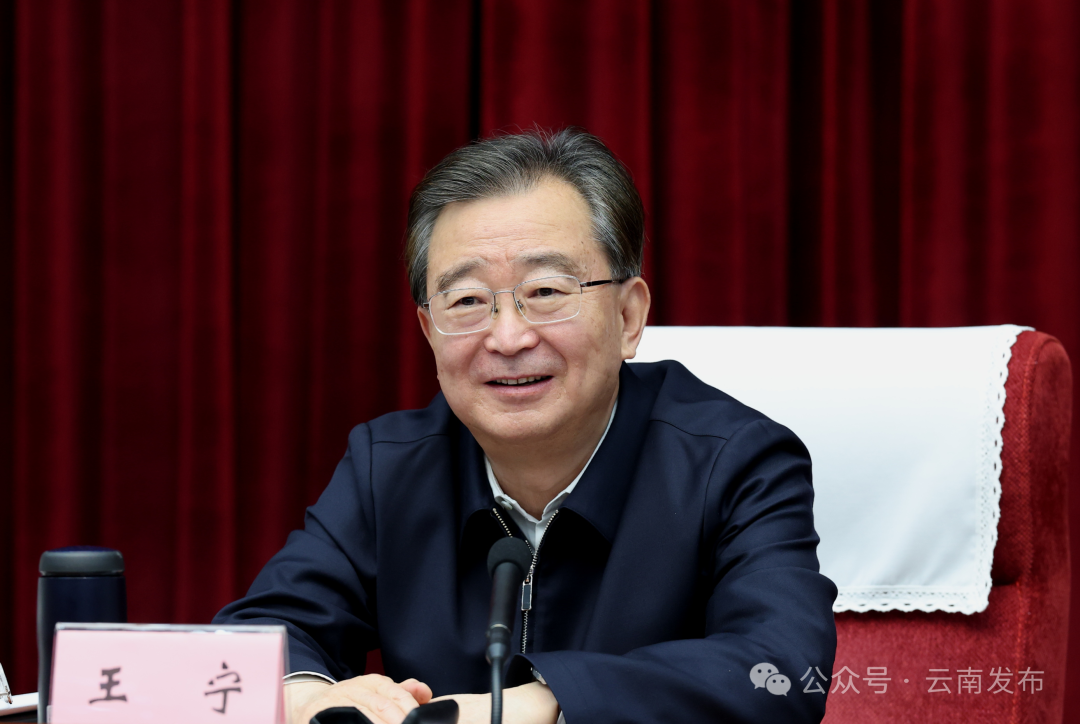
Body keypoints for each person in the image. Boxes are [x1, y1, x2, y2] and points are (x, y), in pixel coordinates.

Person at [214, 128, 837, 724]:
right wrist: (304, 698)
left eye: (545, 292)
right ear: (429, 332)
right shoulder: (389, 466)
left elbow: (781, 672)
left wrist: (534, 707)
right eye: (466, 301)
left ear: (628, 317)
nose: (508, 338)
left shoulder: (735, 462)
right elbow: (255, 641)